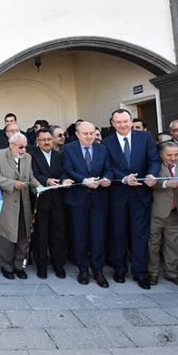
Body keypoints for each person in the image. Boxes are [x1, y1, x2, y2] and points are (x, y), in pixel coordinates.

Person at [103, 108, 160, 290]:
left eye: (125, 121)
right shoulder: (106, 143)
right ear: (112, 123)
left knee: (140, 235)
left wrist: (151, 175)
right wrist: (124, 178)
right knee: (118, 234)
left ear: (131, 120)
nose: (122, 125)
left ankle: (140, 272)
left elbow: (154, 160)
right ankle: (120, 269)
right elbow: (107, 167)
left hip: (141, 194)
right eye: (118, 122)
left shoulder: (145, 138)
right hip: (118, 195)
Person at [62, 121, 112, 287]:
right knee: (80, 235)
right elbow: (68, 169)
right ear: (77, 134)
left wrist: (107, 179)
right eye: (86, 134)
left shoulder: (102, 149)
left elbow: (108, 169)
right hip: (78, 198)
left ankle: (98, 270)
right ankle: (83, 269)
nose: (90, 137)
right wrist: (83, 181)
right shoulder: (69, 149)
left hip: (99, 198)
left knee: (98, 236)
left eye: (92, 133)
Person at [145, 141, 178, 287]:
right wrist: (165, 184)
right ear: (161, 154)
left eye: (176, 154)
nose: (174, 158)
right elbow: (150, 183)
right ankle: (152, 273)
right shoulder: (155, 166)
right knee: (153, 244)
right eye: (169, 155)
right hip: (157, 211)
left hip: (176, 211)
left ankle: (173, 273)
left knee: (173, 244)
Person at [0, 132, 41, 280]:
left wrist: (39, 187)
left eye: (25, 147)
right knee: (6, 236)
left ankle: (18, 265)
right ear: (11, 145)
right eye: (20, 147)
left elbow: (30, 177)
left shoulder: (28, 158)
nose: (23, 150)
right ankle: (6, 266)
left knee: (23, 235)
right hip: (6, 203)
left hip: (24, 203)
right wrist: (13, 184)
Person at [30, 128, 72, 279]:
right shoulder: (31, 156)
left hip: (58, 200)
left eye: (49, 139)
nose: (47, 142)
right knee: (41, 235)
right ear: (37, 141)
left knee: (58, 234)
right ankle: (41, 266)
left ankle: (58, 265)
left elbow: (63, 171)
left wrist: (63, 179)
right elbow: (32, 173)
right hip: (41, 201)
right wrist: (47, 180)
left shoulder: (59, 155)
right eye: (43, 140)